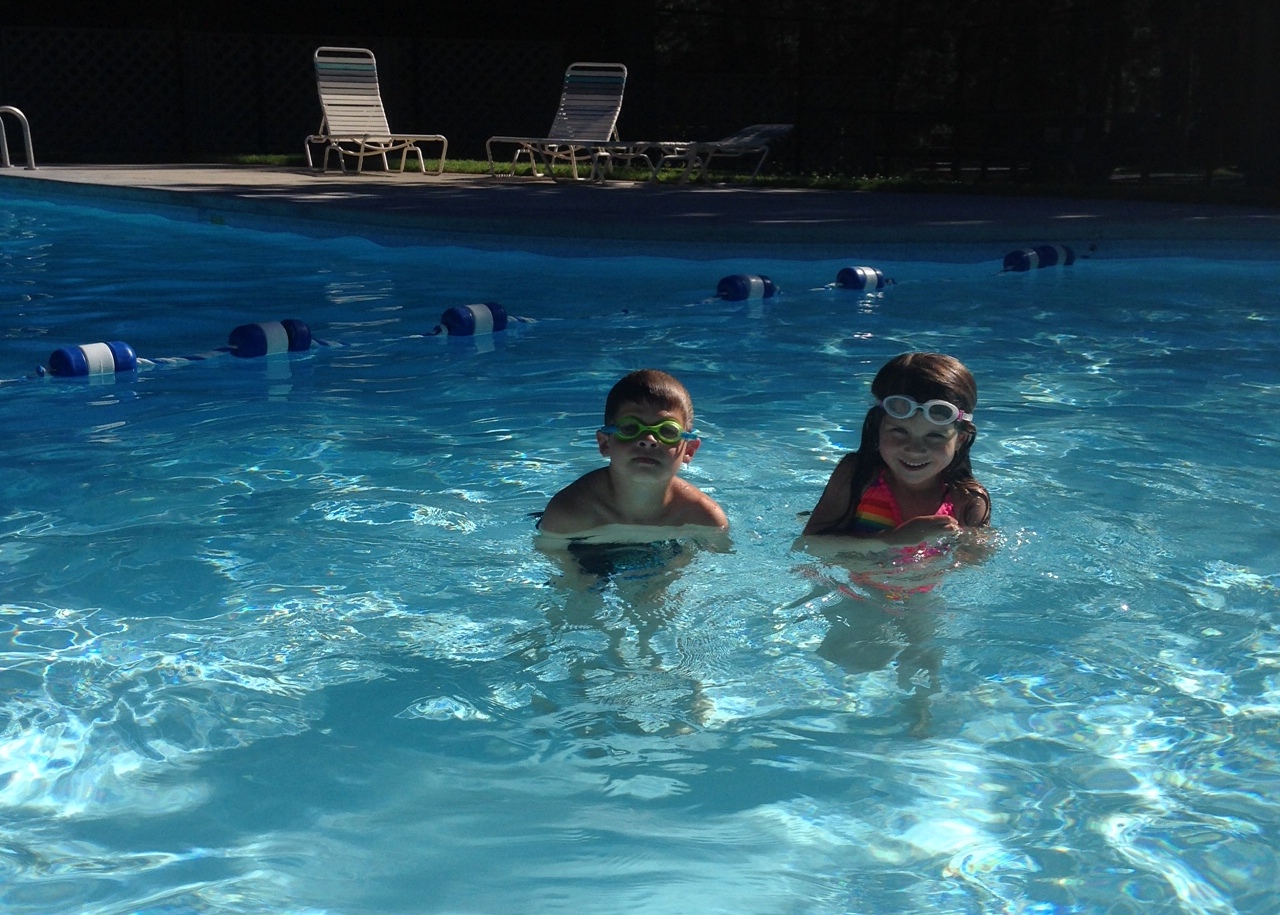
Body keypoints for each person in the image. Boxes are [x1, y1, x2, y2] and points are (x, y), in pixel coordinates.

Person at [802, 352, 990, 541]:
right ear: (878, 427)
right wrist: (893, 539)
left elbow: (975, 558)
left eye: (935, 436)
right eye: (900, 431)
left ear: (960, 439)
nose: (914, 449)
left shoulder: (968, 500)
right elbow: (808, 544)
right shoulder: (857, 476)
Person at [538, 369, 729, 537]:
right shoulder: (568, 513)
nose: (649, 440)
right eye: (630, 428)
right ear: (605, 443)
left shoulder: (705, 518)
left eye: (667, 431)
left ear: (689, 450)